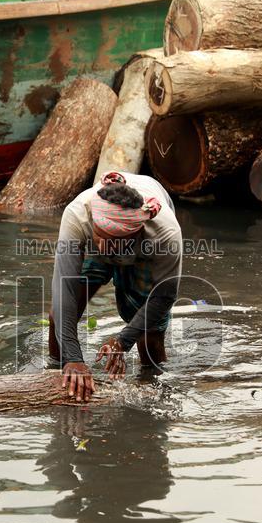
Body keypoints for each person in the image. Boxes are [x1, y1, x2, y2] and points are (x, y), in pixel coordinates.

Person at [49, 171, 182, 401]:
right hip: (94, 234)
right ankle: (54, 376)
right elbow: (64, 289)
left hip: (144, 252)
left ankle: (154, 392)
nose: (103, 248)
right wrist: (74, 359)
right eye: (101, 237)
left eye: (113, 243)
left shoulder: (165, 235)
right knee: (58, 317)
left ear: (136, 233)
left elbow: (163, 297)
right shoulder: (79, 215)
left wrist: (123, 341)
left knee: (150, 336)